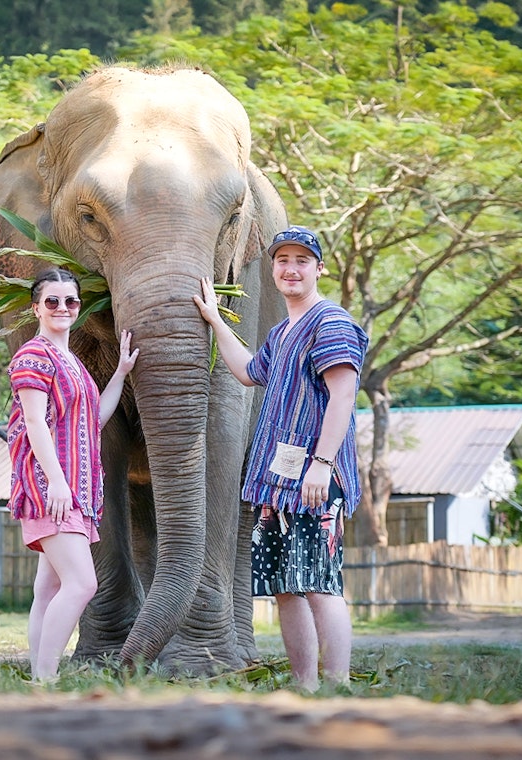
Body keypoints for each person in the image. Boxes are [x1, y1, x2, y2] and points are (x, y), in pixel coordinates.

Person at [194, 225, 368, 691]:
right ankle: (305, 686)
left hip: (316, 476)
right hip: (277, 482)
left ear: (319, 268)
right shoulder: (283, 330)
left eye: (301, 261)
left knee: (319, 583)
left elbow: (343, 394)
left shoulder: (329, 323)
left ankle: (336, 685)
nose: (290, 269)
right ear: (273, 268)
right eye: (282, 260)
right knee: (287, 588)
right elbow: (250, 372)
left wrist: (322, 463)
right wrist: (215, 320)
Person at [7, 268, 138, 681]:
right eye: (52, 302)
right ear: (36, 308)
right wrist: (58, 483)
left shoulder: (73, 363)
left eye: (70, 301)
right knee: (83, 585)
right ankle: (45, 678)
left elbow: (93, 419)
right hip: (52, 489)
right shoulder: (32, 356)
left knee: (47, 590)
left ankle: (39, 676)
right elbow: (34, 422)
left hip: (77, 491)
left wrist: (119, 372)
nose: (62, 308)